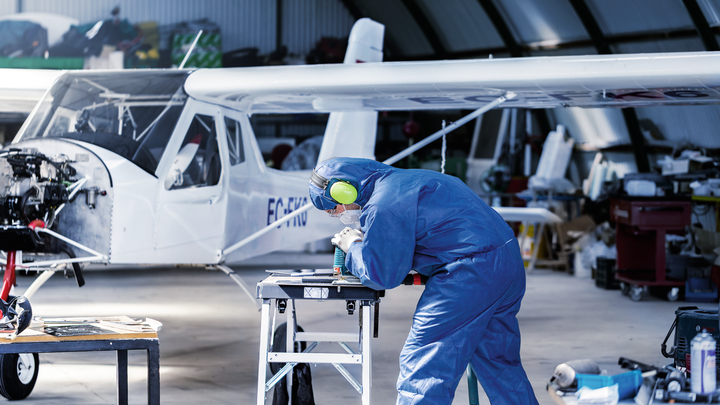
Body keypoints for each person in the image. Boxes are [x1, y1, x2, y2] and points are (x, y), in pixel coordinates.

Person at [308, 157, 538, 405]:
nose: (335, 214)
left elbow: (381, 275)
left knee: (424, 364)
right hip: (507, 261)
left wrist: (352, 246)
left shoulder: (382, 205)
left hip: (471, 274)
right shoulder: (410, 180)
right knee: (499, 363)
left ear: (345, 190)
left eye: (333, 208)